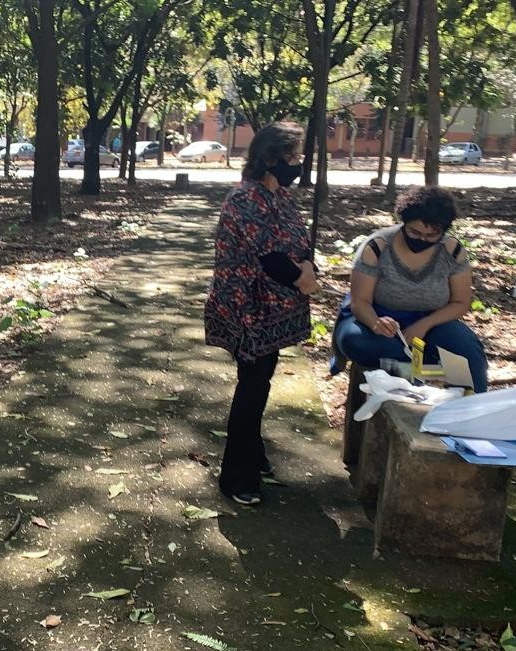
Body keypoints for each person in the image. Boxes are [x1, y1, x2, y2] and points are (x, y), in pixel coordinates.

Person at [204, 121, 319, 507]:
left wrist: (306, 267)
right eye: (292, 157)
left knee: (260, 381)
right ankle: (236, 476)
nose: (297, 164)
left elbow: (296, 241)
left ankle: (254, 454)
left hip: (275, 306)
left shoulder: (280, 195)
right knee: (253, 386)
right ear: (270, 158)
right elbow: (268, 257)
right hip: (247, 308)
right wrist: (303, 278)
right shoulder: (246, 198)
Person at [332, 185, 487, 392]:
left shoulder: (453, 251)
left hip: (433, 321)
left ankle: (471, 407)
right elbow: (360, 301)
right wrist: (376, 323)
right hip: (377, 319)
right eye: (414, 232)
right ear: (403, 223)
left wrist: (425, 325)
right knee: (358, 343)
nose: (421, 239)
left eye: (431, 235)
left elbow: (461, 302)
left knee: (469, 352)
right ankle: (417, 375)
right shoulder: (377, 246)